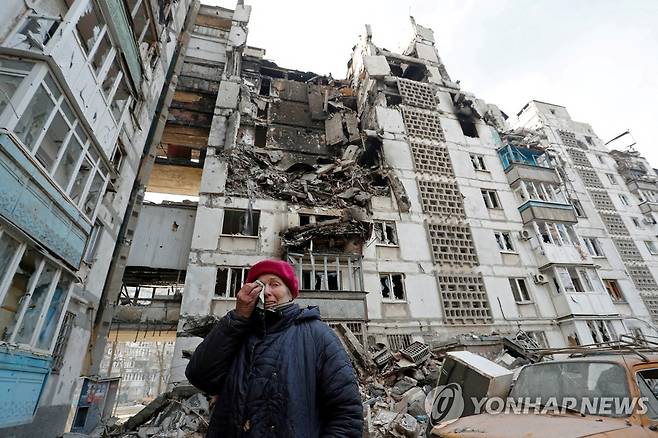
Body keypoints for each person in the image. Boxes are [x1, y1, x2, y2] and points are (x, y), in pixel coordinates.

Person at [185, 259, 363, 437]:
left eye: (275, 284)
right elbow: (199, 376)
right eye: (260, 286)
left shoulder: (318, 335)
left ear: (291, 293)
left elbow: (346, 413)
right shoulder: (237, 332)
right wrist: (238, 318)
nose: (267, 292)